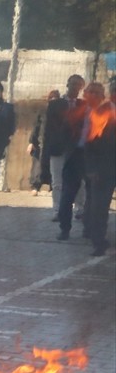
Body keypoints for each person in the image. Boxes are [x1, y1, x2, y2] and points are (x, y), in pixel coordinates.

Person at [45, 75, 86, 226]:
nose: (75, 88)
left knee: (79, 181)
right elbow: (48, 129)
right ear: (67, 84)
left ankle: (79, 209)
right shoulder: (55, 105)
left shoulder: (83, 105)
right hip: (58, 148)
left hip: (76, 151)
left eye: (78, 85)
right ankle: (57, 210)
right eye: (73, 84)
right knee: (57, 182)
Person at [80, 79, 115, 256]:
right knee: (99, 205)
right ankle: (98, 241)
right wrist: (92, 168)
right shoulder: (101, 113)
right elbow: (90, 144)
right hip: (104, 168)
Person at [27, 89, 58, 196]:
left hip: (55, 143)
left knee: (53, 166)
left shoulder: (61, 112)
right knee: (38, 166)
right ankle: (36, 187)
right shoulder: (43, 110)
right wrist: (31, 142)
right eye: (51, 98)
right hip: (41, 143)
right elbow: (36, 127)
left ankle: (52, 187)